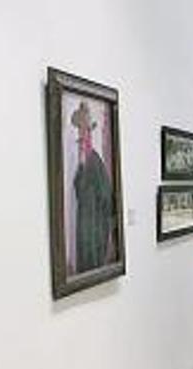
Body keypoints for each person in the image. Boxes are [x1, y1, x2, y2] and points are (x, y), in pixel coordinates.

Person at [71, 101, 113, 273]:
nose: (82, 134)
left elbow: (106, 193)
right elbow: (78, 188)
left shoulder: (95, 160)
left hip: (95, 219)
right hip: (84, 217)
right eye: (80, 130)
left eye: (85, 130)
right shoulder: (81, 160)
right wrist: (80, 168)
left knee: (93, 253)